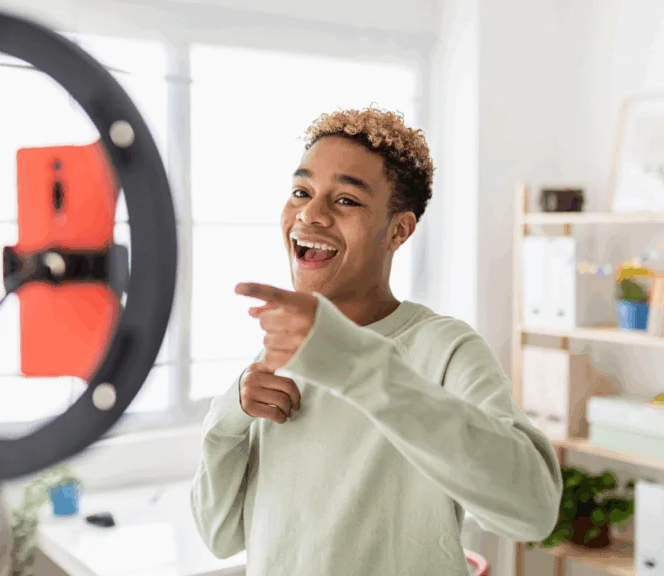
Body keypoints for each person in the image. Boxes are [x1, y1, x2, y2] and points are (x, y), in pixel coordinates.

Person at [189, 107, 562, 575]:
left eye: (345, 200)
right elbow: (220, 537)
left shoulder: (445, 349)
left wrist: (355, 365)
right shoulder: (284, 354)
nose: (310, 212)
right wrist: (229, 418)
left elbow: (532, 510)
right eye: (301, 191)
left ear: (400, 230)